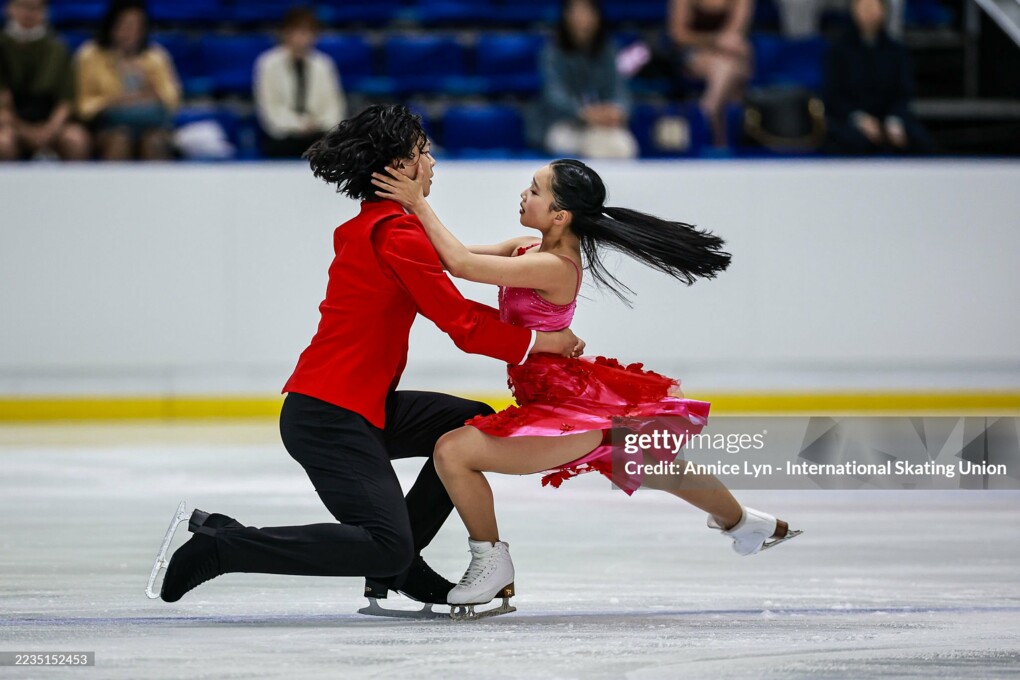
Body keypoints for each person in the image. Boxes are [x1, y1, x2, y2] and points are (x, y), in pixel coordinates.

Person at [152, 105, 583, 615]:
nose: (433, 163)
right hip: (329, 415)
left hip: (358, 404)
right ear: (400, 168)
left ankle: (399, 565)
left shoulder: (381, 226)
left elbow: (450, 259)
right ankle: (225, 545)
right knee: (384, 540)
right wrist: (541, 342)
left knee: (472, 423)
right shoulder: (395, 234)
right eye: (424, 153)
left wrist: (504, 251)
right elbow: (462, 325)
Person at [372, 158, 801, 616]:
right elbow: (443, 257)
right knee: (662, 468)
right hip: (566, 396)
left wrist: (416, 202)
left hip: (565, 410)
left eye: (535, 190)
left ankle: (491, 562)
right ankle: (744, 523)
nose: (523, 194)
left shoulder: (554, 267)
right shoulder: (524, 249)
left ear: (561, 215)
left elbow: (461, 264)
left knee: (453, 452)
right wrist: (399, 218)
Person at [822, 0, 933, 155]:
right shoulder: (838, 51)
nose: (869, 13)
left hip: (887, 118)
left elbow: (903, 93)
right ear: (854, 11)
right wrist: (859, 119)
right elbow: (834, 96)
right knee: (853, 140)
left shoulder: (896, 51)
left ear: (883, 11)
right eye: (864, 7)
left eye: (873, 7)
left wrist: (895, 119)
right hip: (849, 120)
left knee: (918, 140)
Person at [75, 0, 180, 160]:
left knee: (154, 141)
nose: (130, 32)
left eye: (136, 27)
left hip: (148, 125)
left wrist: (151, 91)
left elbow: (172, 101)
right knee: (120, 139)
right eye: (125, 25)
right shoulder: (90, 56)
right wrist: (113, 102)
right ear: (112, 25)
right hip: (106, 126)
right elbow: (82, 105)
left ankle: (157, 184)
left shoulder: (155, 57)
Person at [536, 0, 638, 159]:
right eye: (576, 12)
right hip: (565, 124)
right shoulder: (552, 53)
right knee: (587, 146)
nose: (582, 18)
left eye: (587, 12)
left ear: (597, 17)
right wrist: (584, 113)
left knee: (624, 145)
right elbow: (553, 95)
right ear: (566, 16)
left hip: (604, 125)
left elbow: (620, 90)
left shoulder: (609, 51)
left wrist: (616, 112)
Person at [0, 0, 90, 161]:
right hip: (11, 122)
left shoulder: (58, 48)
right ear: (9, 9)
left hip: (50, 119)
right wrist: (25, 131)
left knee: (76, 139)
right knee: (3, 142)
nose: (29, 13)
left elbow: (66, 100)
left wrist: (49, 130)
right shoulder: (2, 46)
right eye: (23, 7)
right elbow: (3, 105)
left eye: (36, 8)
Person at [254, 6, 345, 159]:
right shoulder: (267, 64)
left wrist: (317, 124)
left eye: (308, 32)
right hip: (283, 136)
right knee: (282, 146)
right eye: (297, 31)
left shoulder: (324, 64)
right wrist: (300, 124)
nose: (302, 37)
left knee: (332, 147)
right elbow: (270, 110)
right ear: (286, 33)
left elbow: (334, 107)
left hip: (318, 134)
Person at [667, 0, 754, 148]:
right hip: (695, 54)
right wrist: (712, 40)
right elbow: (678, 35)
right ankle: (722, 139)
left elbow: (732, 35)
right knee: (726, 69)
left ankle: (708, 109)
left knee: (727, 64)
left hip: (730, 55)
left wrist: (722, 44)